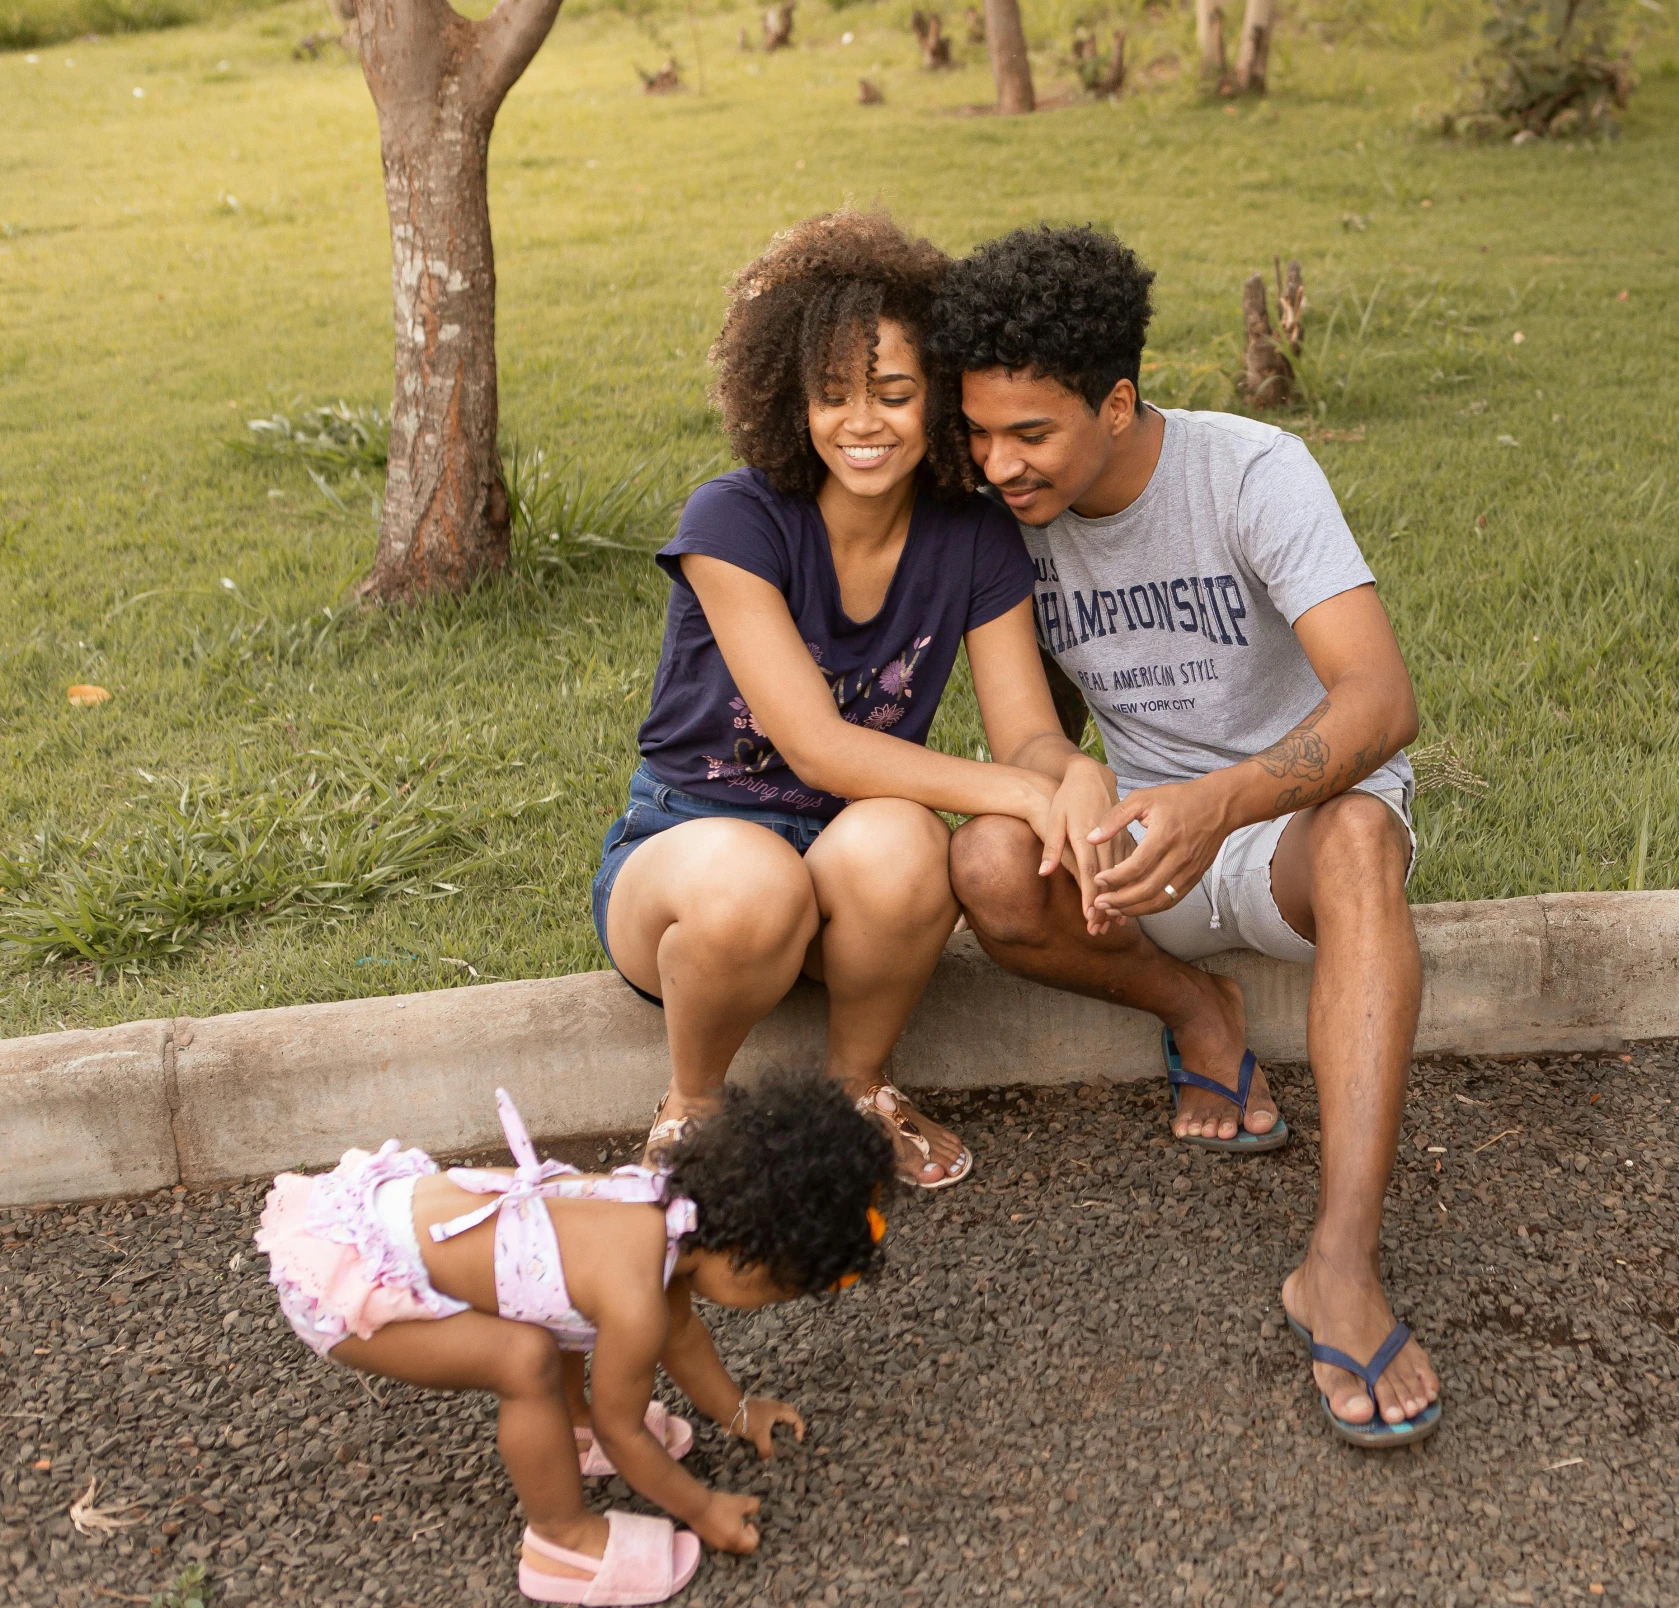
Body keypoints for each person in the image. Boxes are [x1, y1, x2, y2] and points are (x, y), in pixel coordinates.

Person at [930, 226, 1441, 1448]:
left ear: (1117, 402)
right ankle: (1197, 1014)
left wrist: (1222, 802)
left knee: (1366, 839)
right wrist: (1069, 796)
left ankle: (1339, 1262)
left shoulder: (1250, 473)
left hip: (1282, 832)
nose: (999, 465)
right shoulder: (997, 515)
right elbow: (1030, 726)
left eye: (1031, 433)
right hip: (1139, 840)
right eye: (979, 433)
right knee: (987, 863)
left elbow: (1380, 701)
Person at [594, 210, 1113, 1186]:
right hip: (687, 860)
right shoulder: (732, 521)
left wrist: (1070, 777)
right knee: (754, 877)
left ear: (941, 398)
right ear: (791, 398)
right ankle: (693, 1105)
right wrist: (1017, 792)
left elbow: (1028, 733)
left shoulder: (972, 538)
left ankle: (858, 1087)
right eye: (832, 395)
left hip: (842, 877)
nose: (862, 423)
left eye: (894, 393)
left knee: (909, 838)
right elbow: (818, 747)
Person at [253, 1077, 892, 1604]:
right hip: (346, 1280)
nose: (770, 1307)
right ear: (748, 1260)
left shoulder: (663, 1213)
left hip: (377, 1220)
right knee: (524, 1359)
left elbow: (684, 1337)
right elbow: (629, 1431)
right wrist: (702, 1508)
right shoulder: (635, 1295)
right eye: (779, 1293)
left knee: (548, 1305)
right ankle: (561, 1537)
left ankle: (570, 1425)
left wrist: (739, 1410)